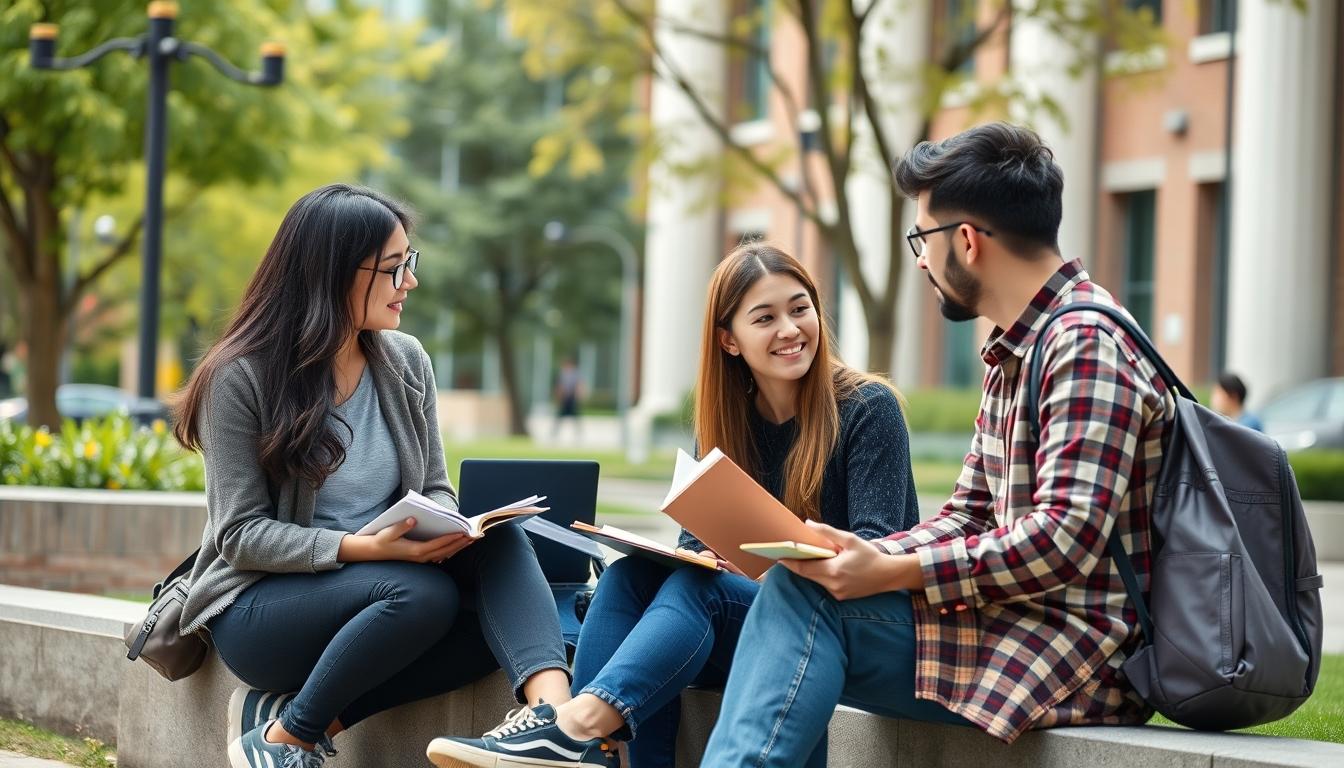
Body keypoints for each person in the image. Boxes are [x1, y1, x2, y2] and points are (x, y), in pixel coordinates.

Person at [698, 122, 1177, 766]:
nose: (921, 260)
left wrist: (896, 570)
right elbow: (967, 517)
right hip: (1009, 623)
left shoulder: (1083, 342)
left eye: (923, 238)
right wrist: (866, 552)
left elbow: (1065, 539)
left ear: (968, 241)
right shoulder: (1017, 350)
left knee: (803, 598)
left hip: (1075, 651)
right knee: (806, 583)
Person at [427, 242, 921, 768]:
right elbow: (696, 544)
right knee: (628, 577)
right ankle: (592, 753)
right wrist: (706, 559)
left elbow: (878, 547)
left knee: (696, 588)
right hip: (752, 621)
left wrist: (763, 566)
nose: (790, 329)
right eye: (765, 318)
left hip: (841, 623)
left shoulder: (869, 408)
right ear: (729, 341)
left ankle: (574, 732)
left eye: (801, 309)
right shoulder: (727, 421)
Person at [173, 184, 573, 768]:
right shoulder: (240, 378)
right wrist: (364, 548)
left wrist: (445, 527)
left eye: (410, 262)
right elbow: (239, 536)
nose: (409, 281)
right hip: (261, 607)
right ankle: (289, 738)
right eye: (394, 267)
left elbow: (434, 484)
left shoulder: (405, 360)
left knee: (499, 555)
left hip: (388, 586)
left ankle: (552, 723)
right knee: (424, 595)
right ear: (331, 273)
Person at [553, 358, 585, 441]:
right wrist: (558, 396)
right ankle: (555, 433)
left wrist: (579, 395)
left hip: (572, 398)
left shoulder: (575, 374)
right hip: (565, 399)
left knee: (576, 416)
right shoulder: (562, 375)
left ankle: (578, 433)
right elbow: (559, 387)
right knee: (559, 416)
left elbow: (579, 386)